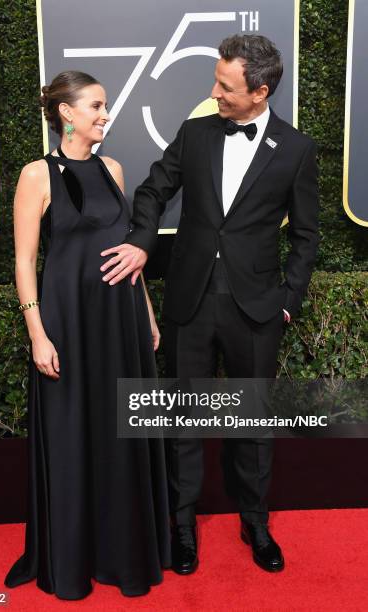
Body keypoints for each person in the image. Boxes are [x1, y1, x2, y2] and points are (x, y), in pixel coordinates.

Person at [100, 35, 320, 575]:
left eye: (225, 85)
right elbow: (153, 190)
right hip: (190, 299)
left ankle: (256, 521)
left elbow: (307, 237)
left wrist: (288, 300)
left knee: (253, 424)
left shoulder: (296, 149)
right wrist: (142, 240)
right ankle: (181, 524)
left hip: (256, 307)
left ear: (260, 91)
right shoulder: (196, 133)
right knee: (183, 420)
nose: (214, 92)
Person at [4, 70, 171, 600]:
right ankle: (73, 557)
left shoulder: (113, 169)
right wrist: (37, 332)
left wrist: (144, 311)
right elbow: (25, 261)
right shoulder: (36, 176)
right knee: (74, 435)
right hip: (68, 323)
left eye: (105, 106)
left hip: (119, 319)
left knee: (120, 434)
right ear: (66, 113)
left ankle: (122, 553)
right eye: (96, 106)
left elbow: (126, 252)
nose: (104, 114)